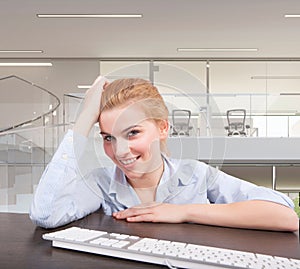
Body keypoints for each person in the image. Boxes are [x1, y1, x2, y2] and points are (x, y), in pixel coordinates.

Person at [30, 76, 299, 231]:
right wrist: (83, 122)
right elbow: (45, 214)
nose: (120, 151)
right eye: (108, 138)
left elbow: (285, 216)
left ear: (162, 128)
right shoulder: (101, 183)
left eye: (132, 133)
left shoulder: (196, 175)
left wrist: (183, 212)